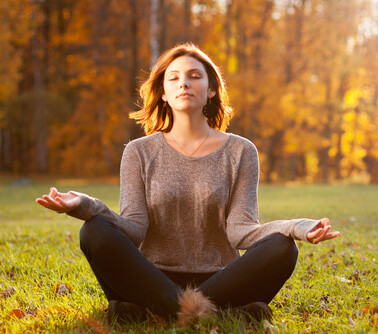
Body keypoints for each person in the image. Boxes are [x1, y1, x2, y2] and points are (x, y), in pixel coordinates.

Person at [36, 43, 340, 326]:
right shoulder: (138, 152)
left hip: (221, 279)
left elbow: (241, 230)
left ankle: (154, 313)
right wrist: (84, 205)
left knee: (283, 248)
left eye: (195, 76)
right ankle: (213, 312)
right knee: (94, 230)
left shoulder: (241, 151)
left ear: (210, 90)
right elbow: (133, 228)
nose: (184, 83)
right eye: (174, 78)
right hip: (151, 278)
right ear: (164, 93)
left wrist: (298, 227)